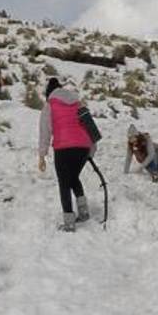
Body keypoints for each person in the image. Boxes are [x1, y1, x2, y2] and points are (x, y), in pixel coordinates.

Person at [38, 78, 95, 231]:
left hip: (64, 148)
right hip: (83, 147)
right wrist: (91, 151)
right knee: (73, 177)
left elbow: (45, 131)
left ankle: (69, 222)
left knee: (64, 183)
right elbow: (91, 127)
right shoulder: (78, 102)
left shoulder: (49, 105)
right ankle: (83, 212)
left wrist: (42, 155)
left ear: (49, 93)